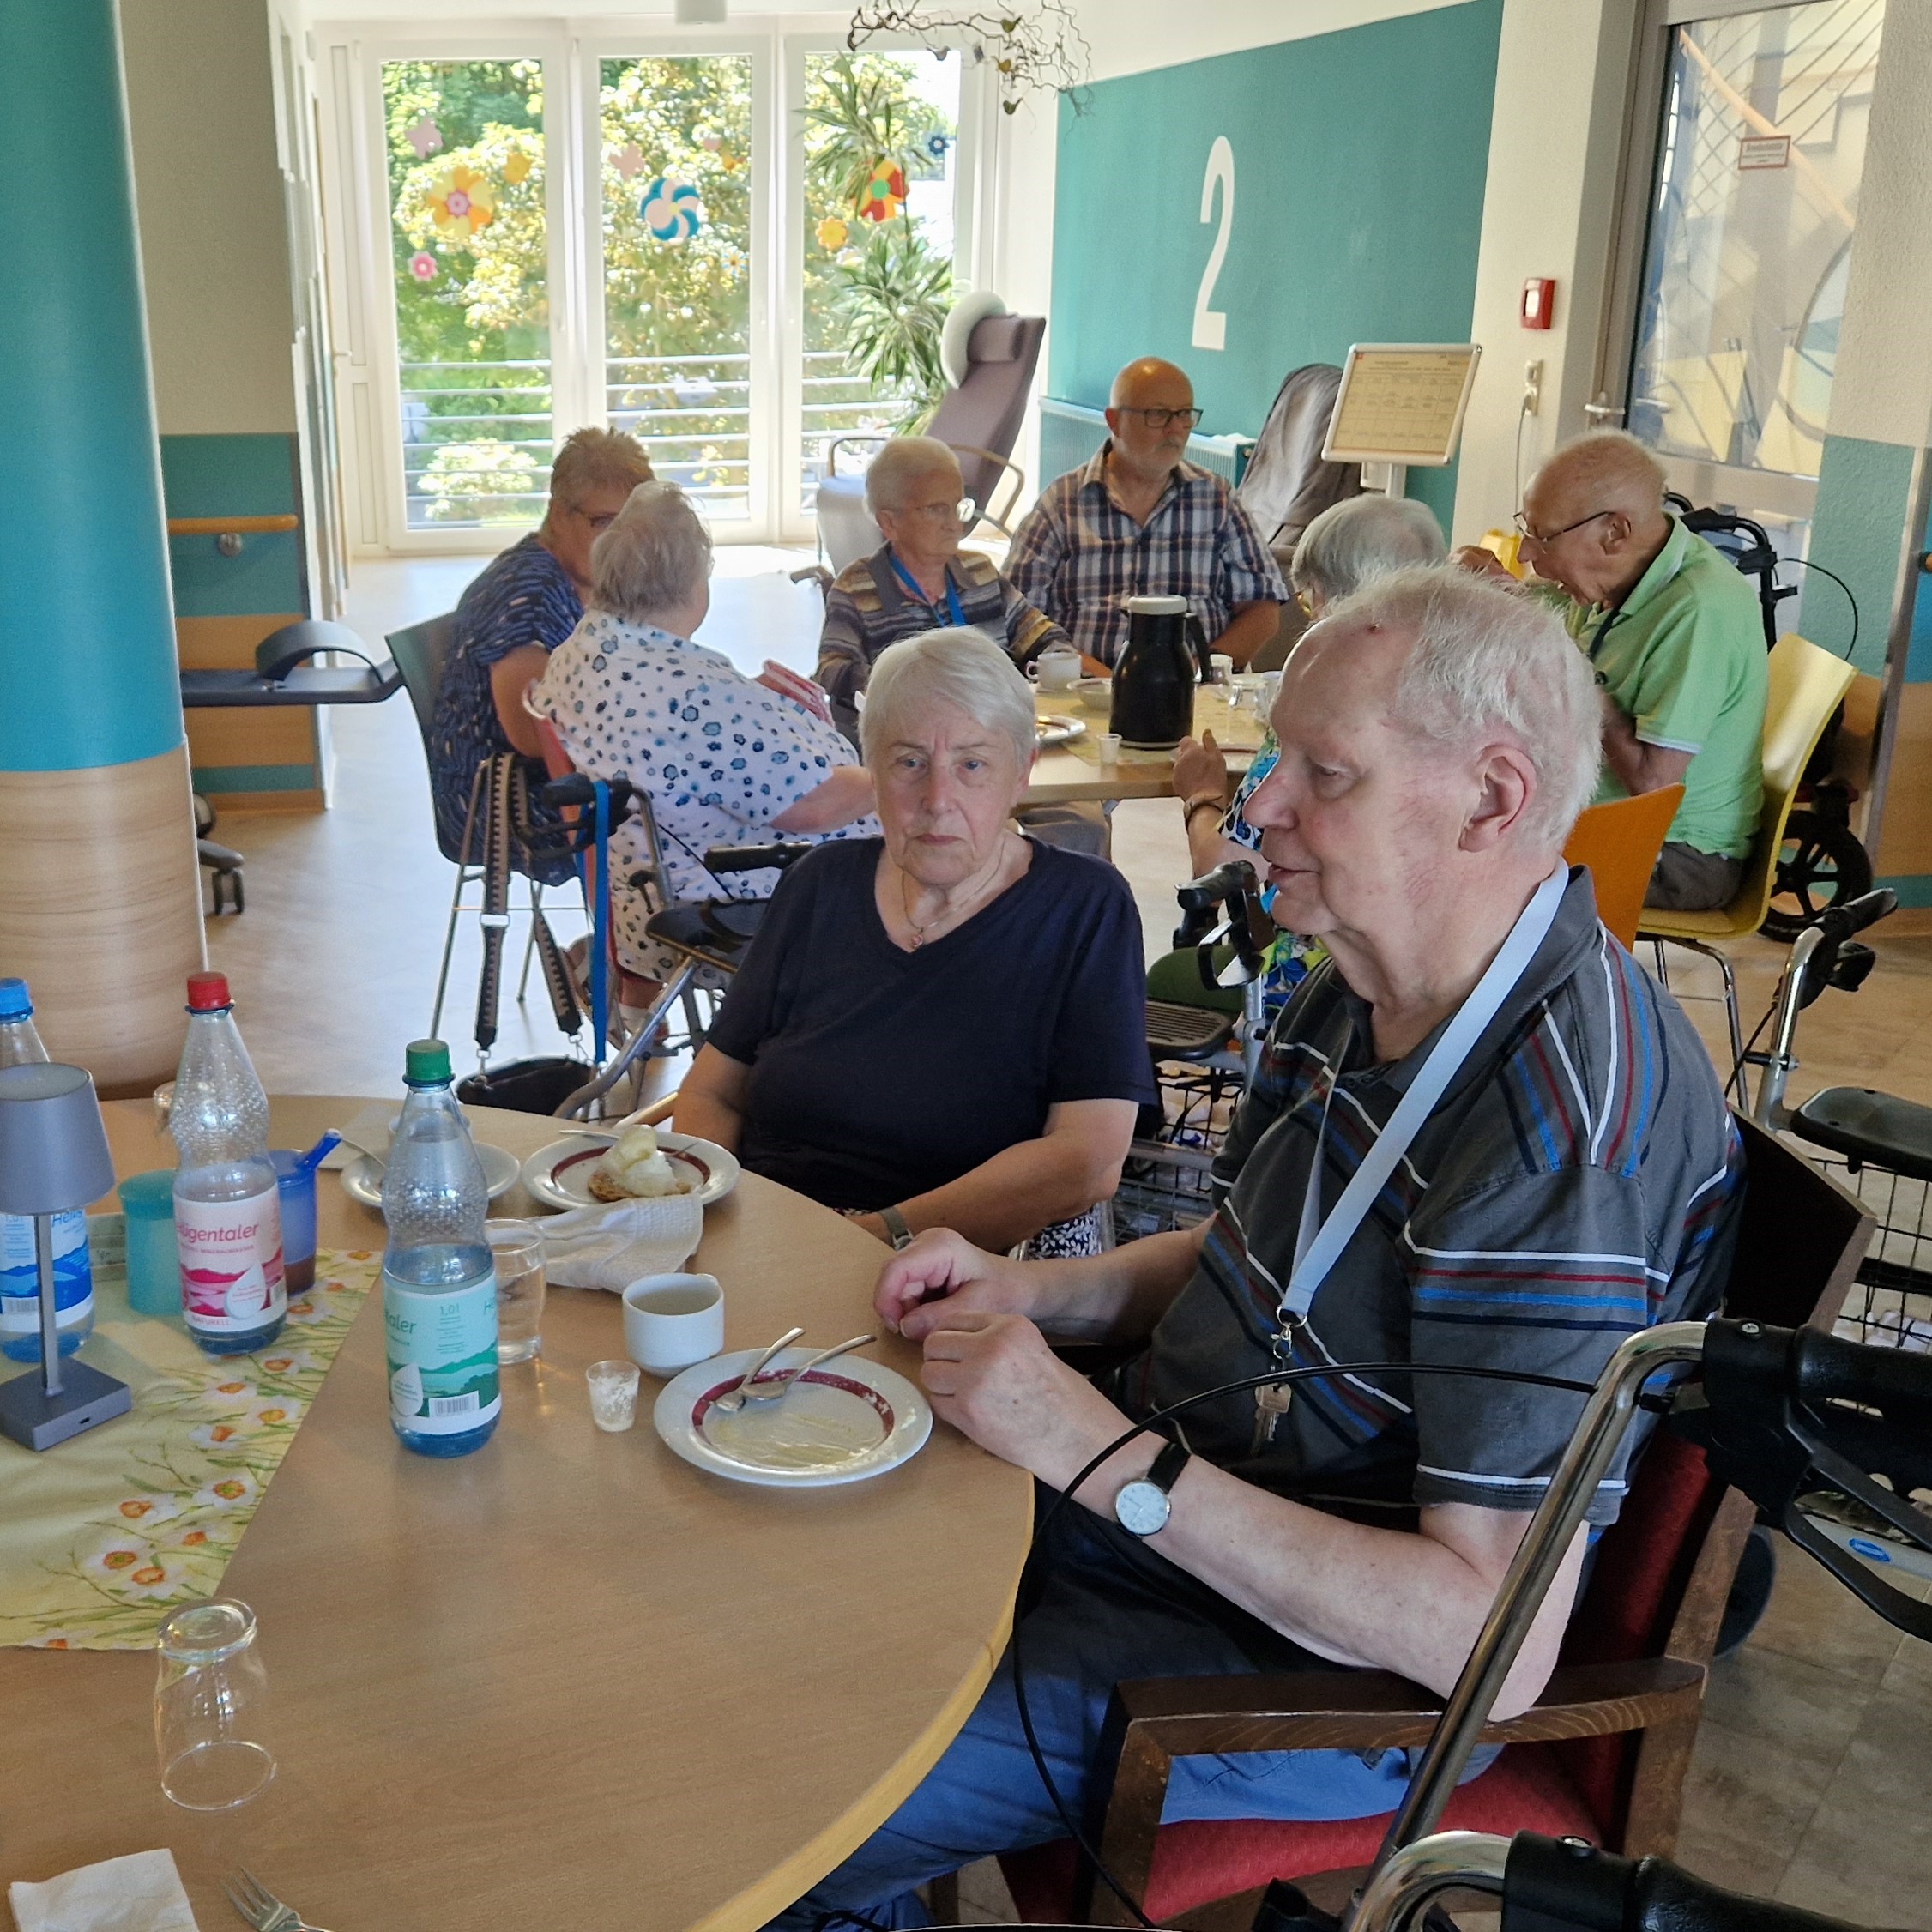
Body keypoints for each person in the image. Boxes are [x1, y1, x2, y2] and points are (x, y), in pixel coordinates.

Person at [764, 568, 1744, 1932]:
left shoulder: (1554, 1141)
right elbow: (1252, 1260)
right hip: (1189, 1507)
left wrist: (1097, 1456)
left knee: (792, 1791)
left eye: (1322, 773)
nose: (1261, 803)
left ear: (1493, 798)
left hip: (1305, 1665)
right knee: (786, 1597)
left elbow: (1487, 1643)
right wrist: (1030, 1294)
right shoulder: (1373, 974)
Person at [675, 626, 1155, 1258]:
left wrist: (871, 1241)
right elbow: (712, 1090)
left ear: (1022, 773)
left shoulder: (1083, 908)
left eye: (972, 764)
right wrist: (716, 1212)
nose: (937, 800)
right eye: (909, 763)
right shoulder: (820, 885)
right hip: (772, 1239)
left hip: (966, 1265)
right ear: (871, 771)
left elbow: (1087, 1162)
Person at [529, 482, 877, 981]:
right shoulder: (692, 696)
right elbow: (814, 806)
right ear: (695, 584)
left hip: (639, 897)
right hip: (734, 904)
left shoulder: (580, 654)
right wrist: (904, 770)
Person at [1164, 493, 1449, 1020]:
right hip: (1435, 974)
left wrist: (1201, 796)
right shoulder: (1457, 704)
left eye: (1307, 594)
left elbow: (1230, 865)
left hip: (1319, 981)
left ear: (1331, 598)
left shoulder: (1315, 720)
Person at [1458, 431, 1768, 912]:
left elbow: (1651, 784)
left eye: (1541, 538)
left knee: (1452, 864)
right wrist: (1497, 594)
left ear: (1614, 533)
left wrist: (1572, 677)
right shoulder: (1613, 580)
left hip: (1676, 854)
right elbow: (1548, 614)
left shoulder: (1698, 609)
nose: (1525, 556)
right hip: (1585, 819)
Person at [427, 426, 655, 873]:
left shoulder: (585, 580)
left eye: (634, 525)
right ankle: (628, 943)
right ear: (558, 513)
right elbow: (534, 738)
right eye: (605, 523)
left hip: (556, 780)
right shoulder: (528, 592)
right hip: (508, 800)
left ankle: (614, 943)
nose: (621, 541)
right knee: (689, 812)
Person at [1006, 357, 1286, 669]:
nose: (1175, 429)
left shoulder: (1216, 499)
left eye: (1184, 415)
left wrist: (1196, 671)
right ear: (1114, 421)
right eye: (1158, 415)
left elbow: (1263, 608)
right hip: (1083, 692)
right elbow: (1017, 616)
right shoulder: (1062, 505)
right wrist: (1101, 679)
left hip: (1198, 692)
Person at [814, 437, 1075, 740]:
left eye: (958, 507)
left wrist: (1053, 667)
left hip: (992, 735)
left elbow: (1045, 636)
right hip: (908, 744)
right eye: (937, 509)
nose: (954, 524)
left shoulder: (980, 574)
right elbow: (831, 671)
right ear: (889, 522)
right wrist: (909, 682)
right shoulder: (858, 588)